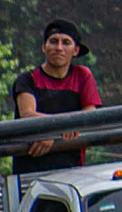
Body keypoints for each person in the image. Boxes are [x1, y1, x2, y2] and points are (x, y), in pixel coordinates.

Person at [10, 21, 100, 170]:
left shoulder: (82, 76)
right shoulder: (27, 79)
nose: (59, 48)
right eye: (53, 41)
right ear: (44, 47)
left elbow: (90, 115)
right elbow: (27, 114)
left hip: (72, 166)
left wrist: (54, 132)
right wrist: (59, 129)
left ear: (76, 50)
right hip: (30, 168)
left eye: (66, 43)